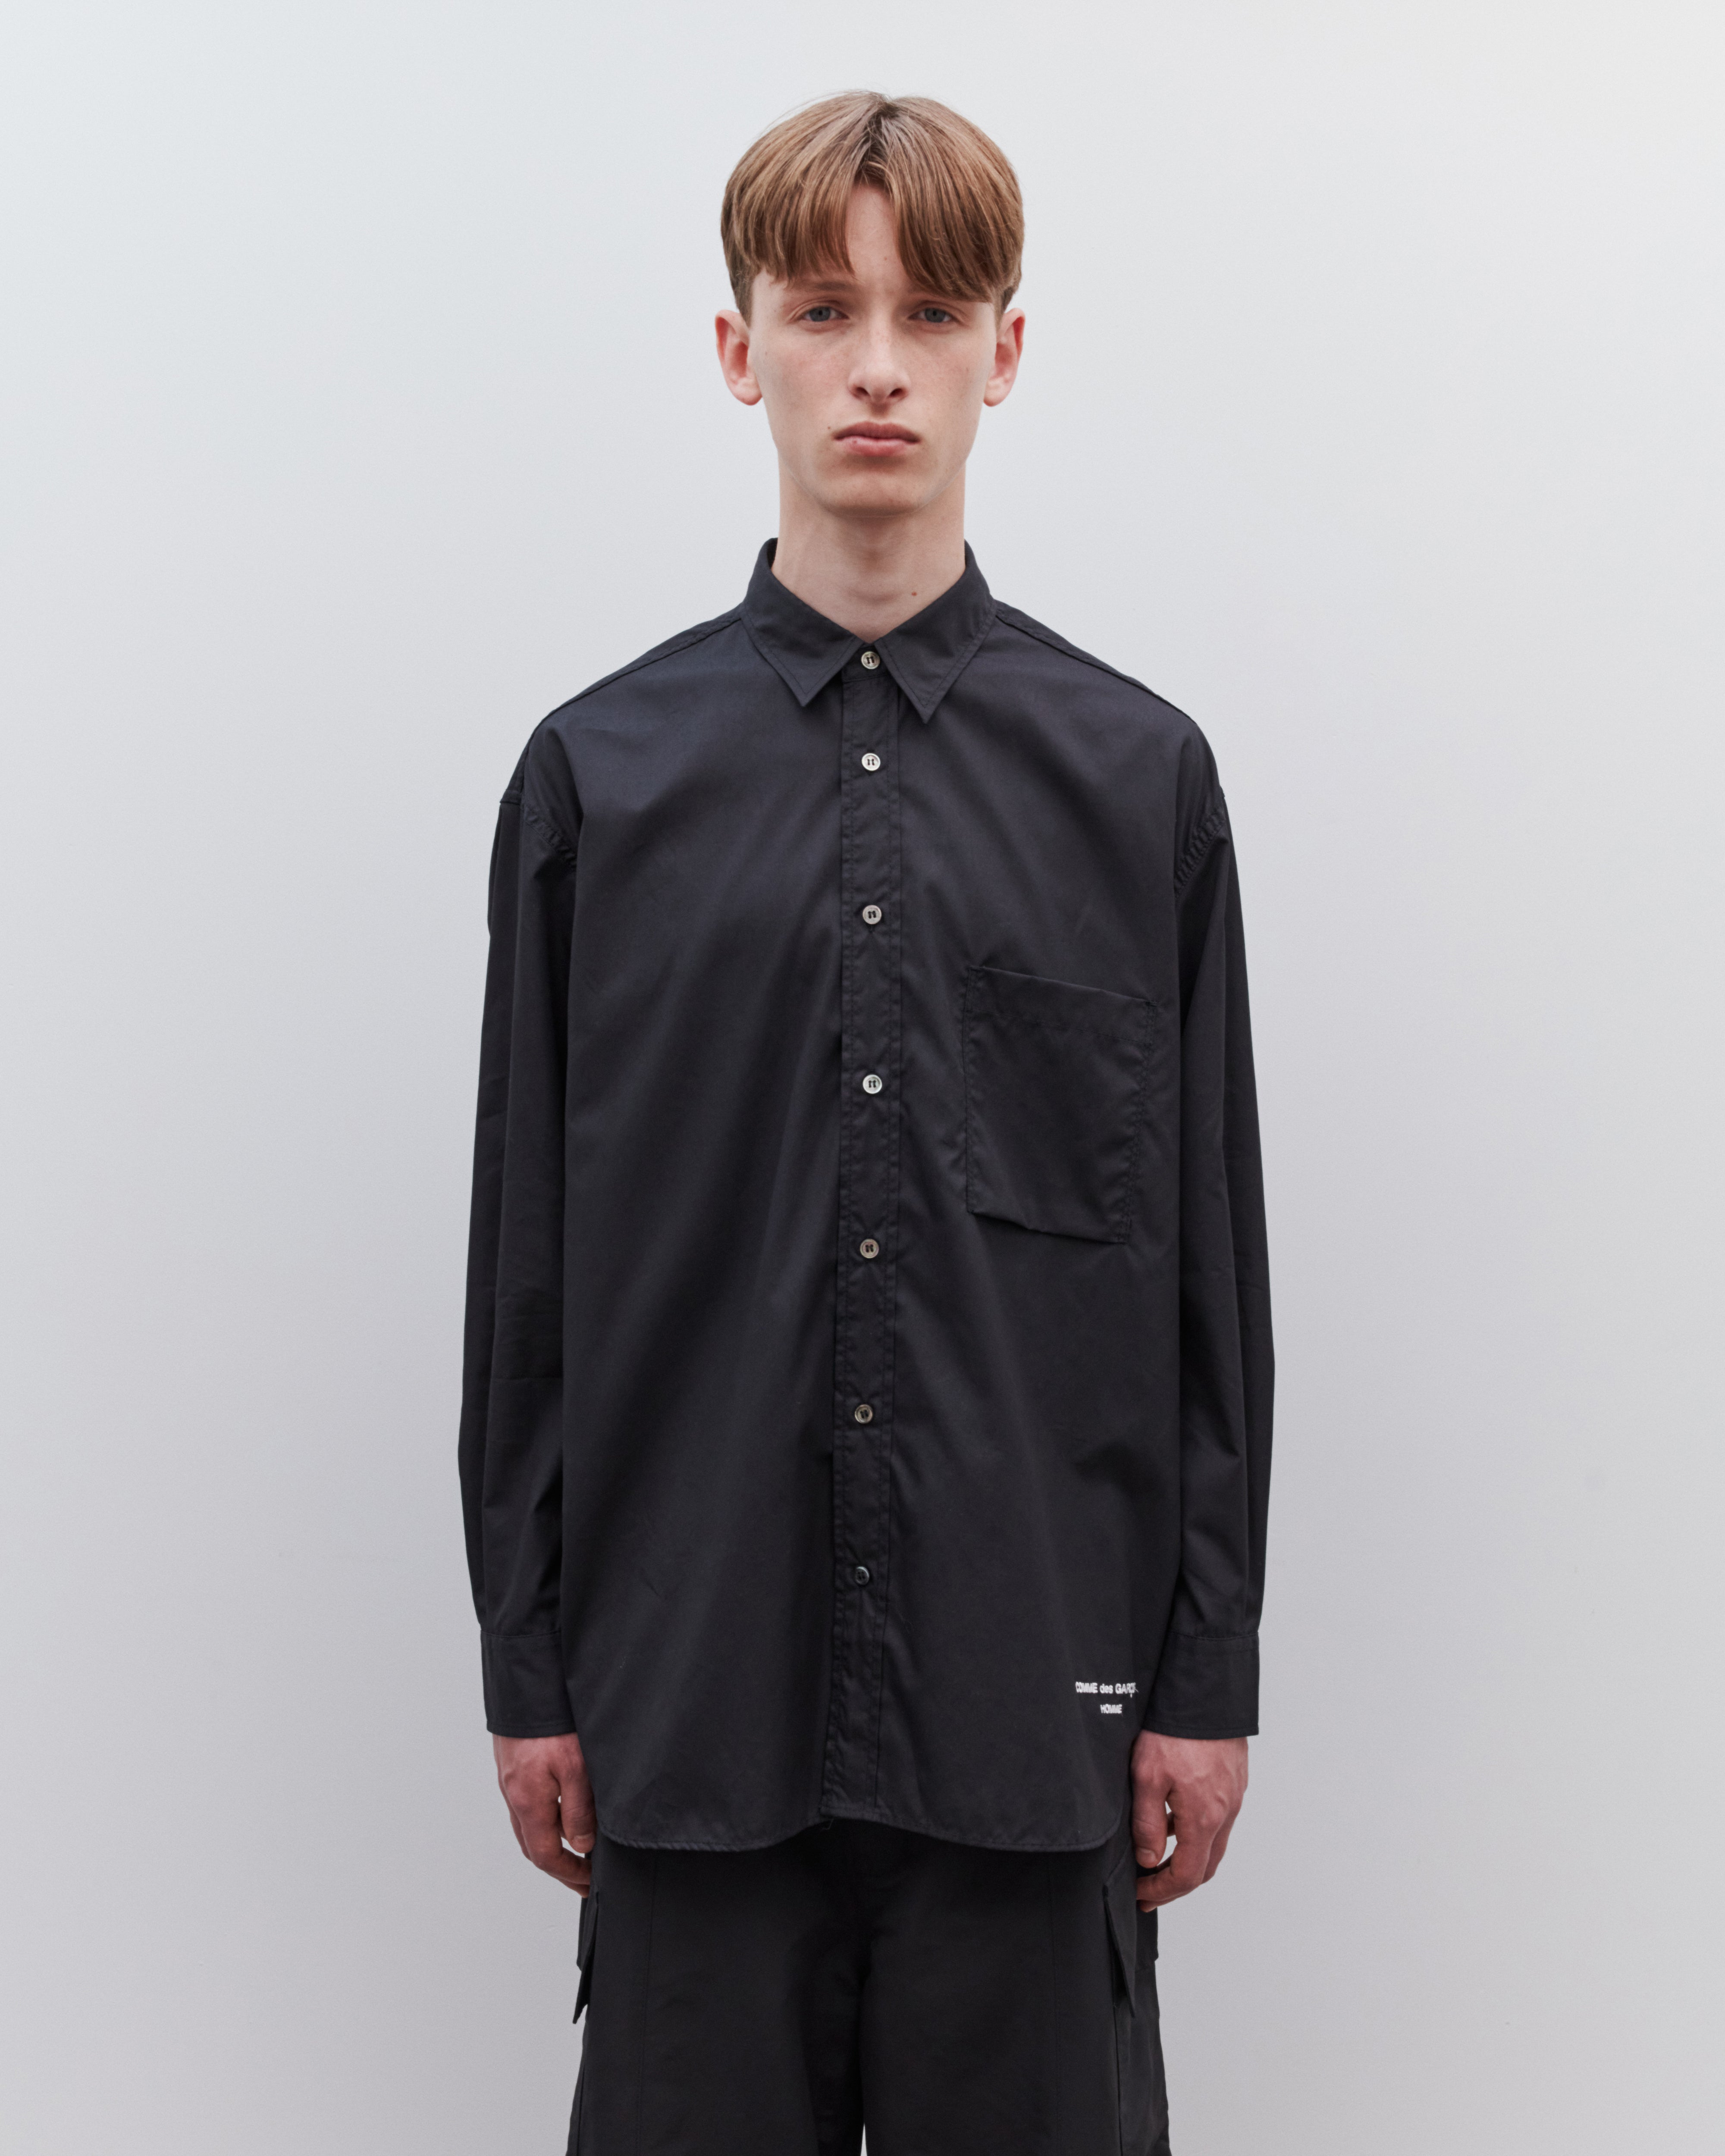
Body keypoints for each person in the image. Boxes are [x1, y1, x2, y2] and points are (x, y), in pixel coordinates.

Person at [459, 91, 1272, 2156]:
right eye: (825, 309)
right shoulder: (598, 784)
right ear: (741, 349)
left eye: (933, 311)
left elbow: (1207, 1276)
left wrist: (1204, 1672)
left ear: (1010, 347)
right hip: (689, 1712)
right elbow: (527, 1270)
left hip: (1032, 1718)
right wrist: (528, 1659)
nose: (881, 365)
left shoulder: (1138, 783)